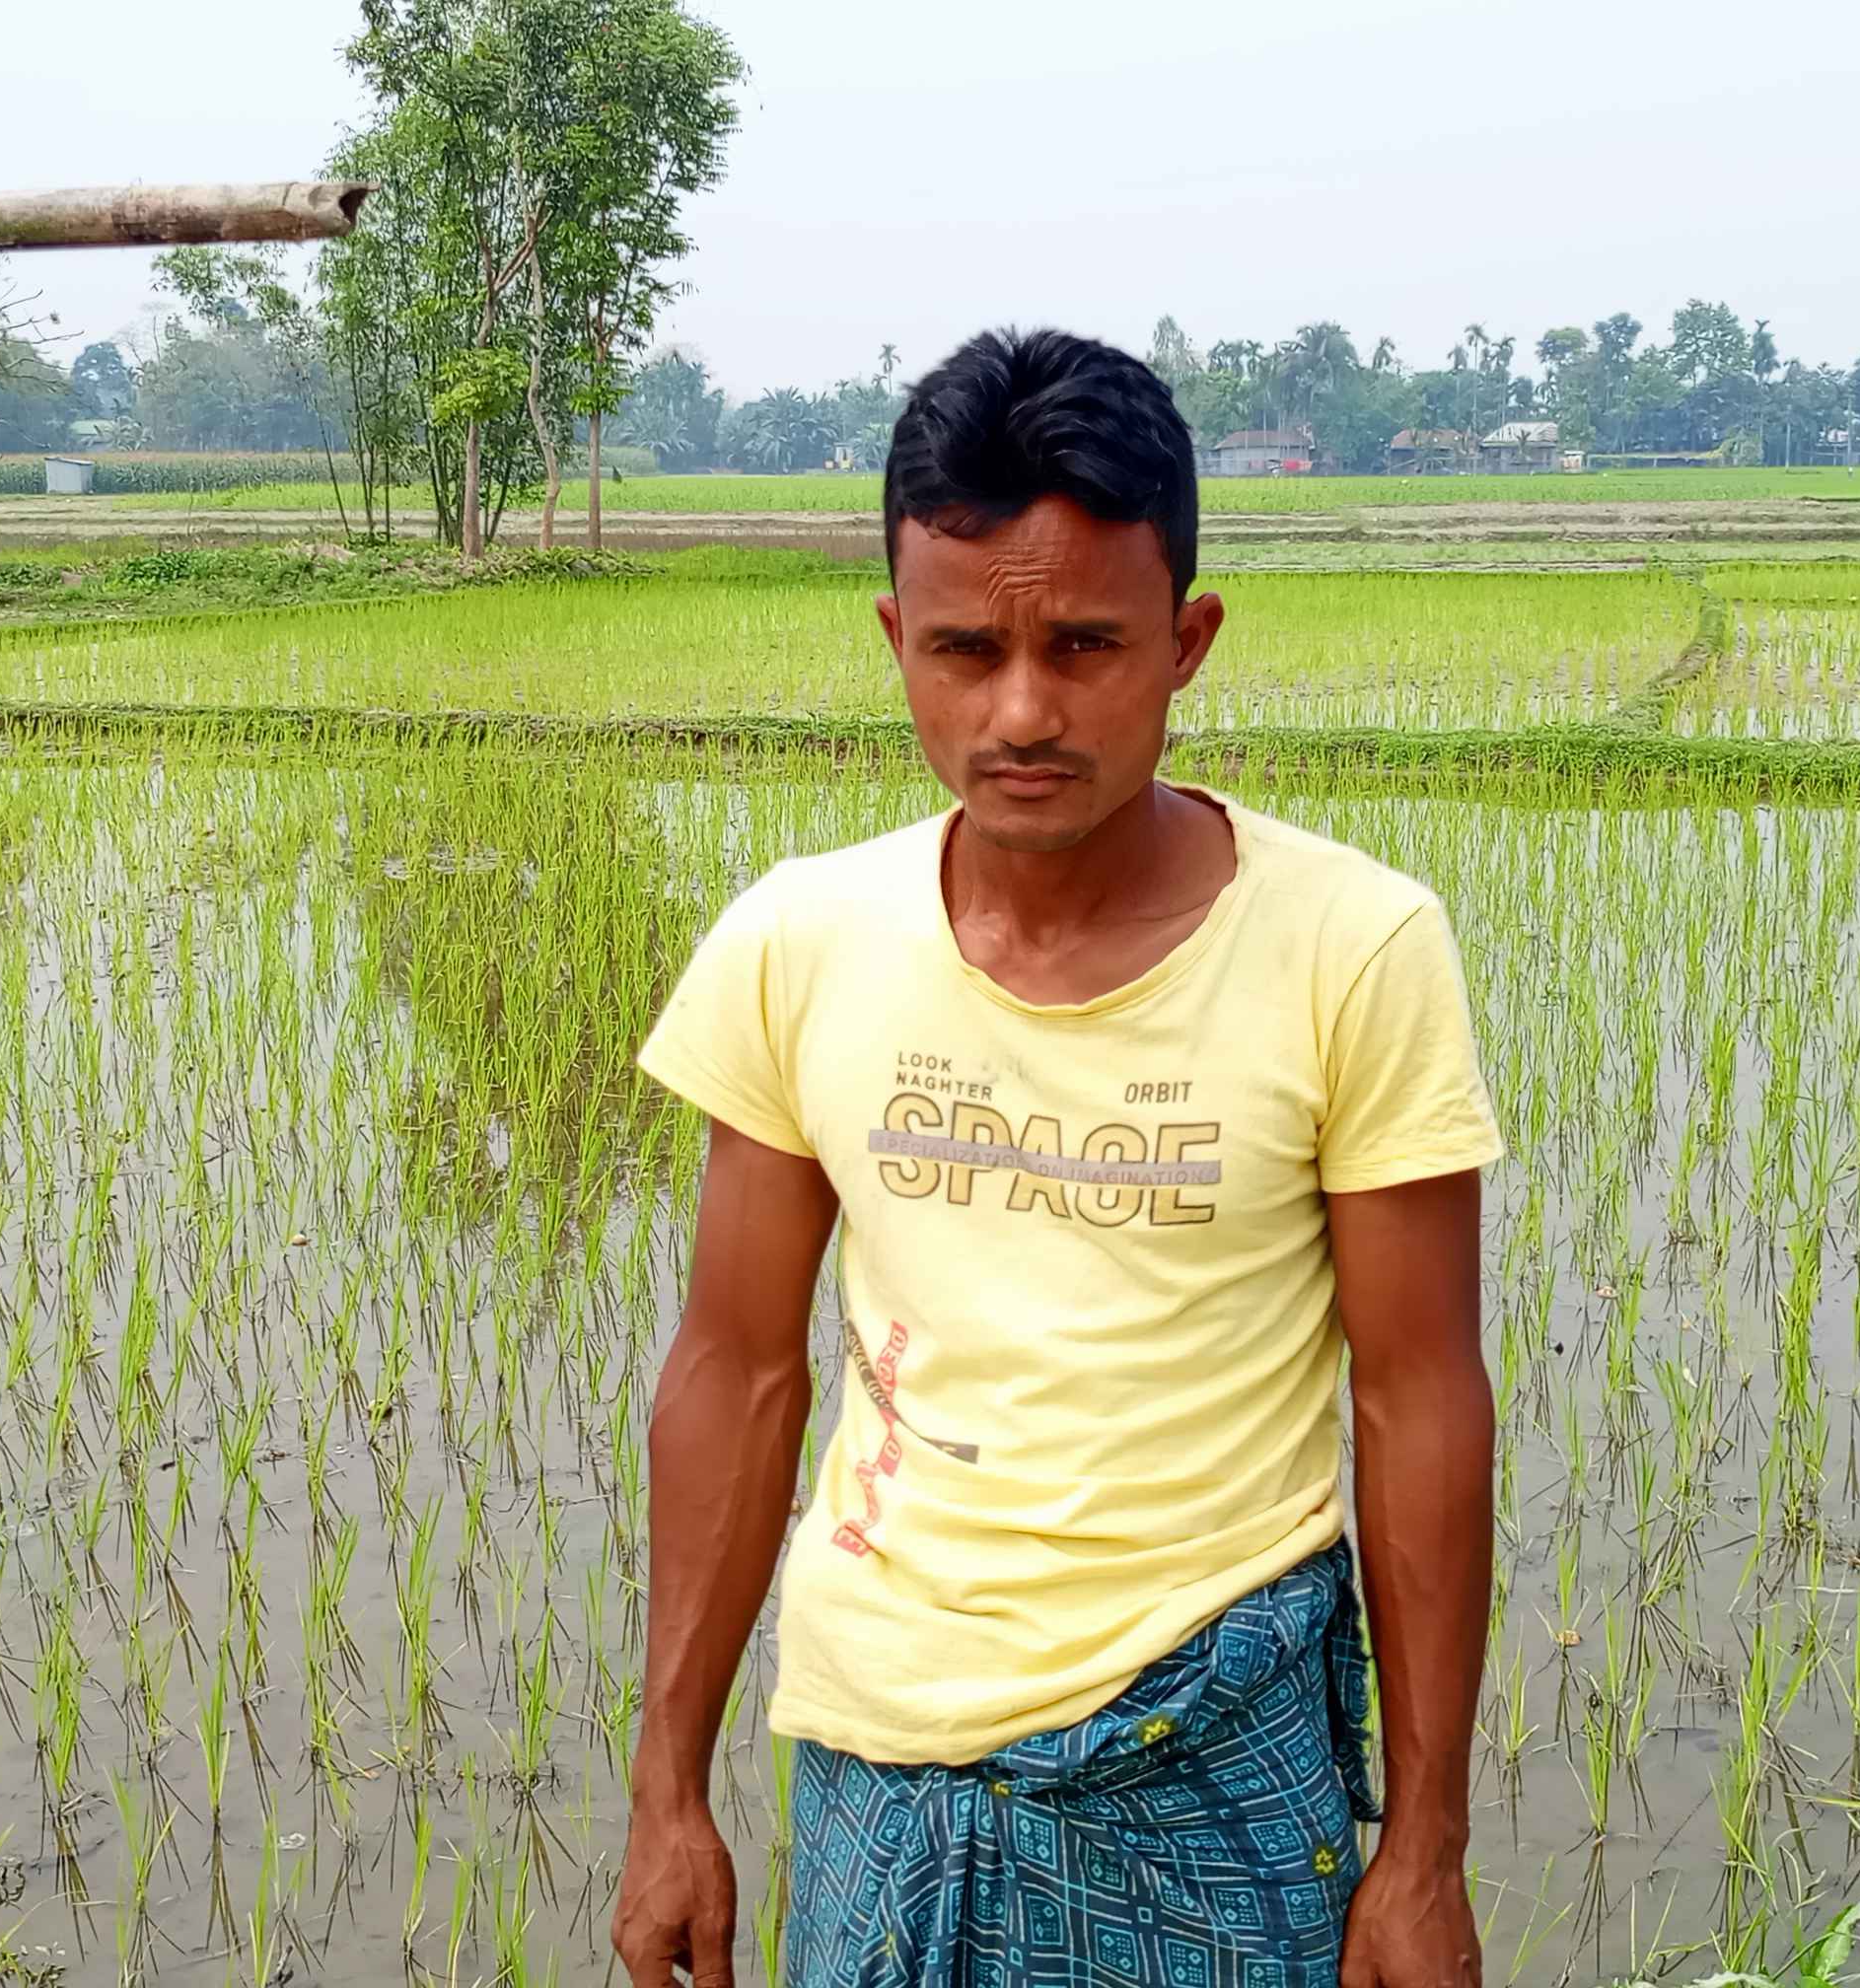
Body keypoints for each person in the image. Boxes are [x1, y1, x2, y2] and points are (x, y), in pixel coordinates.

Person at [610, 327, 1503, 1988]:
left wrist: (1426, 1847)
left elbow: (1420, 1398)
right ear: (898, 640)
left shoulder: (1353, 947)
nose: (1021, 711)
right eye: (966, 649)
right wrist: (667, 1793)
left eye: (1086, 645)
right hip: (884, 1746)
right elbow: (734, 1369)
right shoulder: (802, 941)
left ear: (1187, 642)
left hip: (1215, 1741)